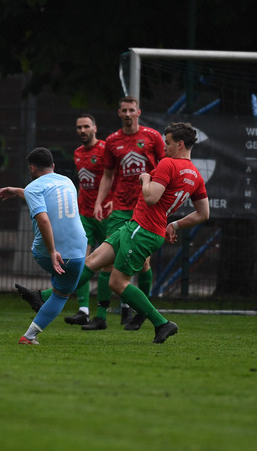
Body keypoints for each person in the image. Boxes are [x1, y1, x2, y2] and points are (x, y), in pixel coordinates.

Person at [72, 122, 209, 343]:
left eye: (168, 143)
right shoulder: (195, 175)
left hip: (142, 228)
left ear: (180, 144)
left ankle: (161, 323)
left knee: (117, 282)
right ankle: (45, 298)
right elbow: (204, 214)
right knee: (93, 260)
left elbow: (151, 197)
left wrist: (145, 178)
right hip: (142, 227)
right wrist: (175, 225)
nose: (164, 148)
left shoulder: (168, 163)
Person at [15, 115, 107, 326]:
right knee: (83, 261)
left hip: (106, 213)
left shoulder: (106, 150)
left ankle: (111, 313)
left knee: (108, 267)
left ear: (95, 127)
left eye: (86, 126)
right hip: (84, 213)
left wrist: (104, 201)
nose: (82, 130)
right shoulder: (77, 155)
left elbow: (111, 176)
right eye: (78, 127)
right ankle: (84, 310)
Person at [83, 96, 165, 331]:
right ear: (119, 113)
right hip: (119, 208)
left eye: (132, 110)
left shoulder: (152, 137)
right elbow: (108, 175)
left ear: (139, 112)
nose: (128, 114)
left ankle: (141, 313)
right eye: (124, 111)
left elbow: (164, 168)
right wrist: (100, 201)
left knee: (144, 264)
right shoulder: (112, 141)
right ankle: (100, 316)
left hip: (144, 208)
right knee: (106, 261)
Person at [0, 148, 89, 344]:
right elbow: (49, 196)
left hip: (46, 253)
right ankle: (31, 330)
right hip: (79, 250)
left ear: (32, 168)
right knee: (62, 294)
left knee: (60, 292)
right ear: (53, 166)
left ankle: (32, 323)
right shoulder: (68, 181)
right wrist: (17, 191)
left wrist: (52, 251)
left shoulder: (33, 188)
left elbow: (44, 219)